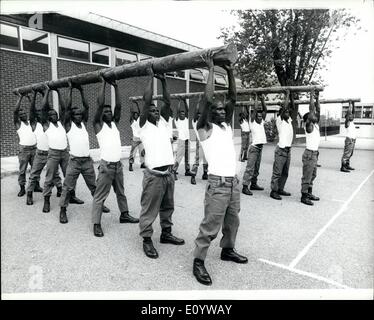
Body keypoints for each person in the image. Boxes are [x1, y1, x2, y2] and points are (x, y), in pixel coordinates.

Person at [193, 50, 248, 286]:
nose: (221, 111)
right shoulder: (204, 129)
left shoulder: (225, 126)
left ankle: (227, 250)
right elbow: (207, 101)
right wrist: (211, 69)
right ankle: (198, 262)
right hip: (217, 184)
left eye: (222, 109)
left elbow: (232, 99)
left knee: (232, 221)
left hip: (233, 182)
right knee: (210, 225)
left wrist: (230, 71)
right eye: (216, 109)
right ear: (207, 114)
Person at [138, 69, 185, 259]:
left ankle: (166, 233)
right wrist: (151, 77)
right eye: (152, 110)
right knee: (149, 209)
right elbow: (147, 100)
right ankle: (147, 240)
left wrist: (164, 81)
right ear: (146, 113)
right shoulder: (143, 126)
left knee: (168, 206)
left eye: (157, 111)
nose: (156, 112)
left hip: (168, 174)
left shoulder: (164, 124)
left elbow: (167, 102)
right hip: (154, 176)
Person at [91, 75, 138, 237]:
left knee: (121, 192)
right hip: (106, 167)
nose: (109, 113)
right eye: (105, 112)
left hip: (118, 165)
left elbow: (118, 106)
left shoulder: (114, 124)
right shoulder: (98, 125)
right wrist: (103, 83)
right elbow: (99, 105)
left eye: (109, 111)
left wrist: (116, 87)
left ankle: (124, 214)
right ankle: (96, 224)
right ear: (101, 114)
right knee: (100, 196)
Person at [58, 81, 110, 224]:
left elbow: (86, 106)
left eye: (80, 114)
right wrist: (69, 88)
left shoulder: (84, 124)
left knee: (94, 186)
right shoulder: (68, 125)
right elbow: (67, 108)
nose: (79, 116)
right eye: (76, 115)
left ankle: (99, 204)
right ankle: (63, 210)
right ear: (72, 116)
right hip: (74, 161)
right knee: (68, 186)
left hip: (87, 161)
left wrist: (81, 91)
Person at [41, 86, 84, 213]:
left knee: (69, 176)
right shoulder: (46, 125)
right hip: (53, 154)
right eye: (51, 114)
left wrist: (59, 92)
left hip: (65, 153)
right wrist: (48, 91)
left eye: (55, 114)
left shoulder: (61, 123)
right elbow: (44, 109)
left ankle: (72, 196)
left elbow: (64, 108)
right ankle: (47, 200)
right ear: (48, 117)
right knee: (50, 177)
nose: (54, 115)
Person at [26, 89, 62, 205]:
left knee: (55, 174)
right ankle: (29, 194)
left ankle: (60, 189)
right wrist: (35, 94)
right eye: (40, 113)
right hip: (40, 154)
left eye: (43, 113)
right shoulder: (35, 124)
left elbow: (47, 108)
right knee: (34, 174)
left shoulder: (50, 124)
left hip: (51, 154)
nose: (42, 114)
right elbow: (32, 111)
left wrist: (44, 93)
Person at [242, 94, 267, 196]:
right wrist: (256, 97)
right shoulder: (253, 122)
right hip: (254, 148)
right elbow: (255, 110)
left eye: (261, 116)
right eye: (259, 116)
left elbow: (265, 110)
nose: (261, 117)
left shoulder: (261, 122)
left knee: (257, 167)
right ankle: (245, 186)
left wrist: (262, 100)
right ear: (255, 116)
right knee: (250, 168)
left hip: (260, 148)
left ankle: (254, 184)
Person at [270, 91, 293, 200]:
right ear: (282, 113)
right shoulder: (280, 121)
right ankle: (273, 191)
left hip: (288, 151)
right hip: (281, 150)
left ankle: (280, 188)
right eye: (286, 112)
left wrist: (291, 96)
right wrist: (287, 94)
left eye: (289, 113)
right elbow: (285, 107)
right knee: (277, 172)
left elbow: (290, 107)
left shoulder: (289, 121)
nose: (288, 114)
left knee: (285, 172)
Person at [14, 91, 37, 197]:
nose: (23, 115)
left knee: (35, 169)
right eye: (21, 114)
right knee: (22, 170)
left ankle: (35, 185)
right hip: (24, 150)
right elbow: (15, 111)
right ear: (18, 117)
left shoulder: (31, 122)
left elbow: (34, 111)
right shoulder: (18, 124)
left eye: (24, 113)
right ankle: (22, 188)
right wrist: (20, 97)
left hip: (34, 149)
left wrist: (29, 99)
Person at [301, 90, 321, 206]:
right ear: (308, 118)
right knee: (307, 176)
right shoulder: (309, 126)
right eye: (311, 116)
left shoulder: (316, 125)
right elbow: (312, 110)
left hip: (315, 154)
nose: (315, 116)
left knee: (313, 175)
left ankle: (309, 193)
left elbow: (318, 110)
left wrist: (317, 98)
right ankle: (304, 196)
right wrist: (311, 96)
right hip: (309, 154)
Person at [172, 97, 193, 180]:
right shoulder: (177, 120)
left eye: (184, 114)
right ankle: (173, 171)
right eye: (181, 113)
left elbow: (188, 110)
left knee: (187, 157)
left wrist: (184, 101)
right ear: (179, 115)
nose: (183, 114)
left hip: (187, 140)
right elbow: (177, 111)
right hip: (181, 140)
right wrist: (180, 101)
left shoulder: (186, 119)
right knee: (179, 156)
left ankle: (187, 170)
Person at [190, 96, 208, 185]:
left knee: (206, 159)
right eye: (199, 116)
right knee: (197, 160)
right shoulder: (195, 122)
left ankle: (205, 173)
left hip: (206, 142)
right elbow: (195, 112)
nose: (200, 117)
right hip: (200, 143)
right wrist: (198, 102)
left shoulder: (204, 123)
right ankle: (193, 176)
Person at [340, 101, 357, 173]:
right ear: (347, 117)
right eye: (350, 116)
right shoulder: (347, 122)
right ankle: (343, 167)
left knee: (350, 153)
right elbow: (349, 112)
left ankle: (347, 165)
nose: (352, 116)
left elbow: (353, 112)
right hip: (349, 140)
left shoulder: (352, 122)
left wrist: (353, 104)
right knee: (347, 154)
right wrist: (349, 105)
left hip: (353, 140)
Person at [129, 101, 145, 171]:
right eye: (134, 114)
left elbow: (140, 112)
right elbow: (131, 113)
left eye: (137, 114)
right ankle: (130, 165)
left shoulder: (139, 119)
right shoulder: (132, 121)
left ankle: (142, 163)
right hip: (135, 139)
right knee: (133, 153)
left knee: (142, 152)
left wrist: (137, 104)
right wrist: (132, 105)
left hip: (141, 138)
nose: (136, 115)